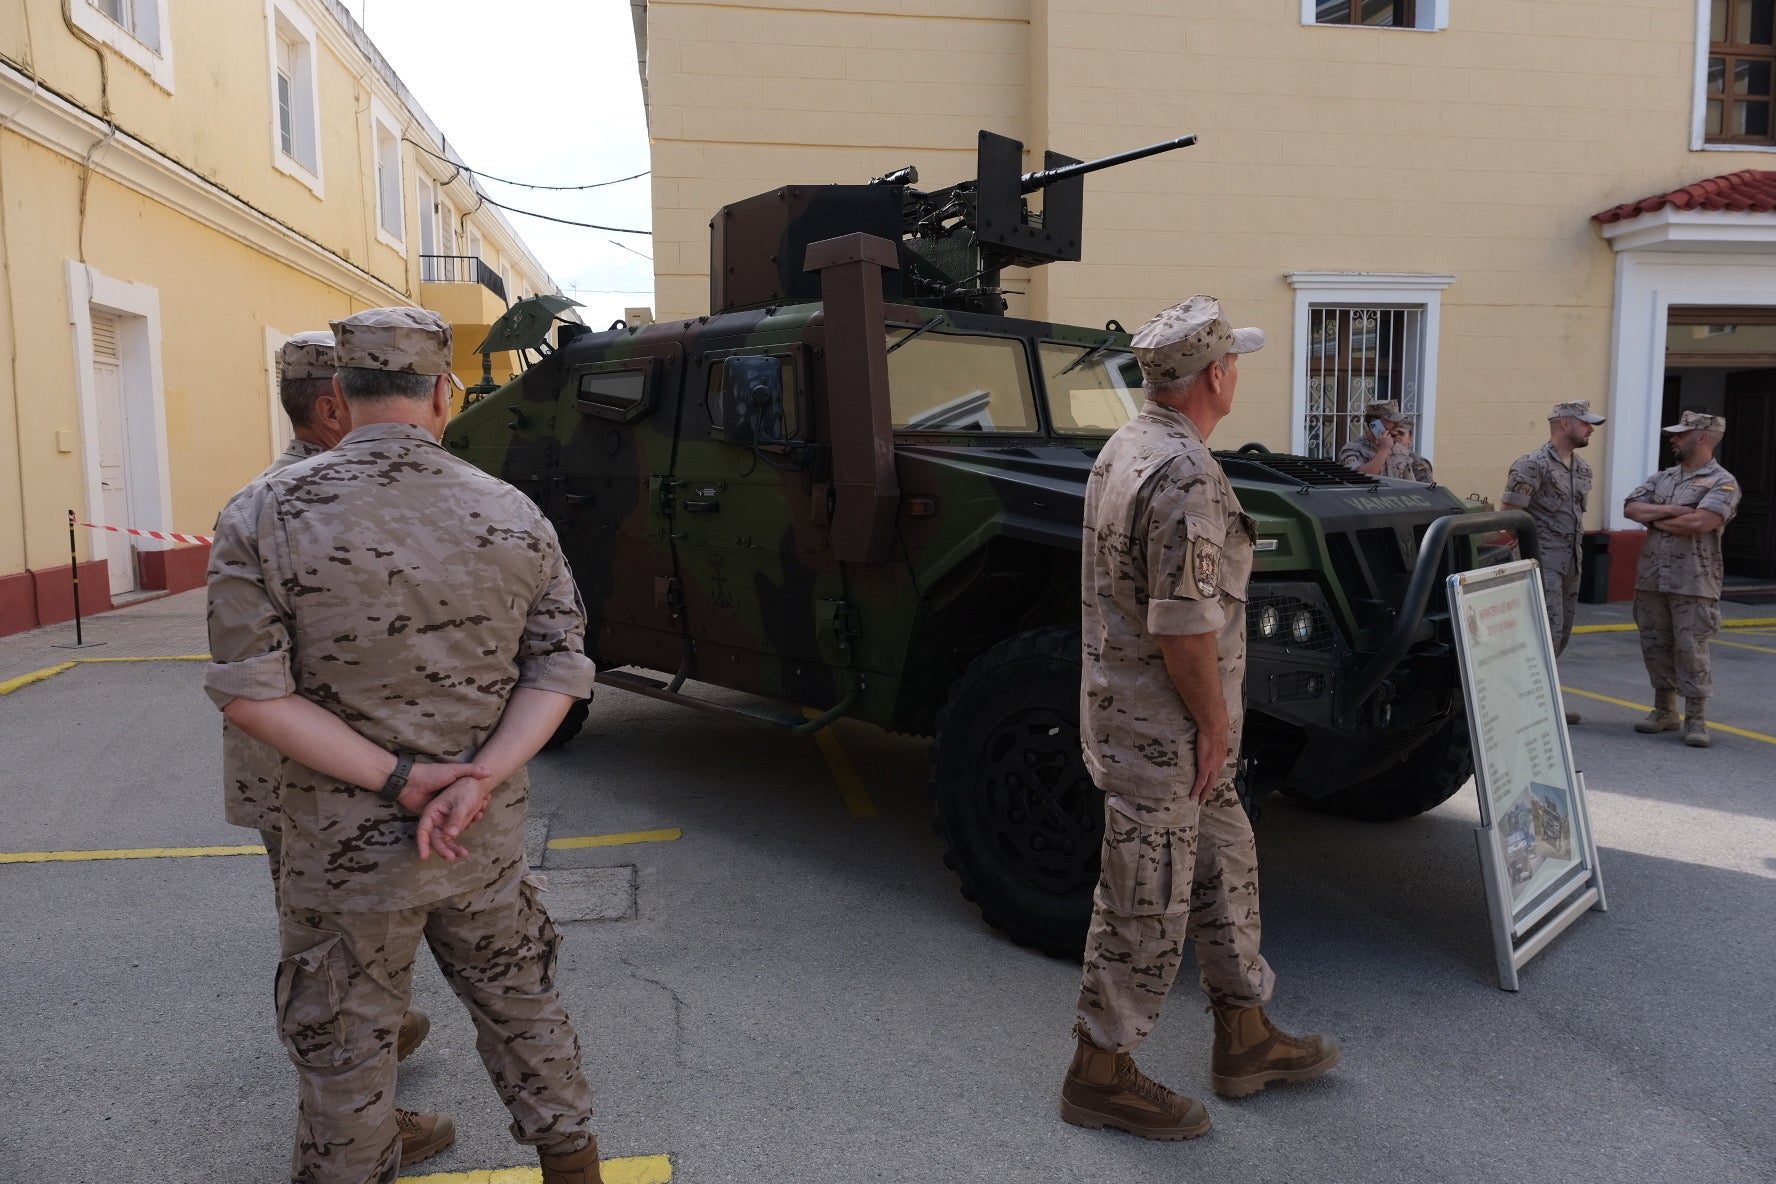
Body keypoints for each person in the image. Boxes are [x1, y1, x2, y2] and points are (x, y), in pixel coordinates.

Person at [205, 307, 605, 1183]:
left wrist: (403, 779)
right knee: (524, 1010)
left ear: (340, 396)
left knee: (345, 1049)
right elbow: (561, 669)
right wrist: (478, 778)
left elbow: (253, 698)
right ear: (441, 393)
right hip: (480, 837)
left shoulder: (263, 512)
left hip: (340, 854)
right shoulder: (512, 512)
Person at [1064, 295, 1337, 1142]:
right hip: (1166, 730)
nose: (1238, 374)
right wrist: (1216, 728)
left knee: (1225, 860)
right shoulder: (1183, 473)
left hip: (1154, 720)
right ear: (1216, 375)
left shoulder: (1128, 444)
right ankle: (1099, 1072)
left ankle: (1245, 1033)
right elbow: (1183, 629)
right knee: (1145, 895)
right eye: (1235, 362)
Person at [1623, 410, 1742, 748]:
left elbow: (1700, 523)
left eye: (1680, 434)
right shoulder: (1662, 478)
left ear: (1701, 437)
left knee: (1691, 649)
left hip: (1694, 580)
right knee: (1655, 644)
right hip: (1651, 578)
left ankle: (1696, 718)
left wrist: (1656, 518)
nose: (1673, 439)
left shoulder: (1723, 482)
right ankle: (1664, 711)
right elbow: (1631, 508)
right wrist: (1677, 510)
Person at [1501, 400, 1606, 724]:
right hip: (1541, 562)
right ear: (1564, 424)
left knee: (1559, 637)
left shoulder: (1583, 468)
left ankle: (1541, 700)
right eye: (1585, 423)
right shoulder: (1532, 465)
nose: (1590, 429)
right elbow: (1508, 517)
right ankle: (1525, 705)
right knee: (1542, 635)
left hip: (1571, 563)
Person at [1337, 399, 1434, 483]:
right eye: (1391, 420)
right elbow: (1357, 479)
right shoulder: (1353, 449)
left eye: (1397, 420)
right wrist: (1384, 451)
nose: (1397, 424)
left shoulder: (1399, 450)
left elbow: (1412, 485)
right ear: (1374, 423)